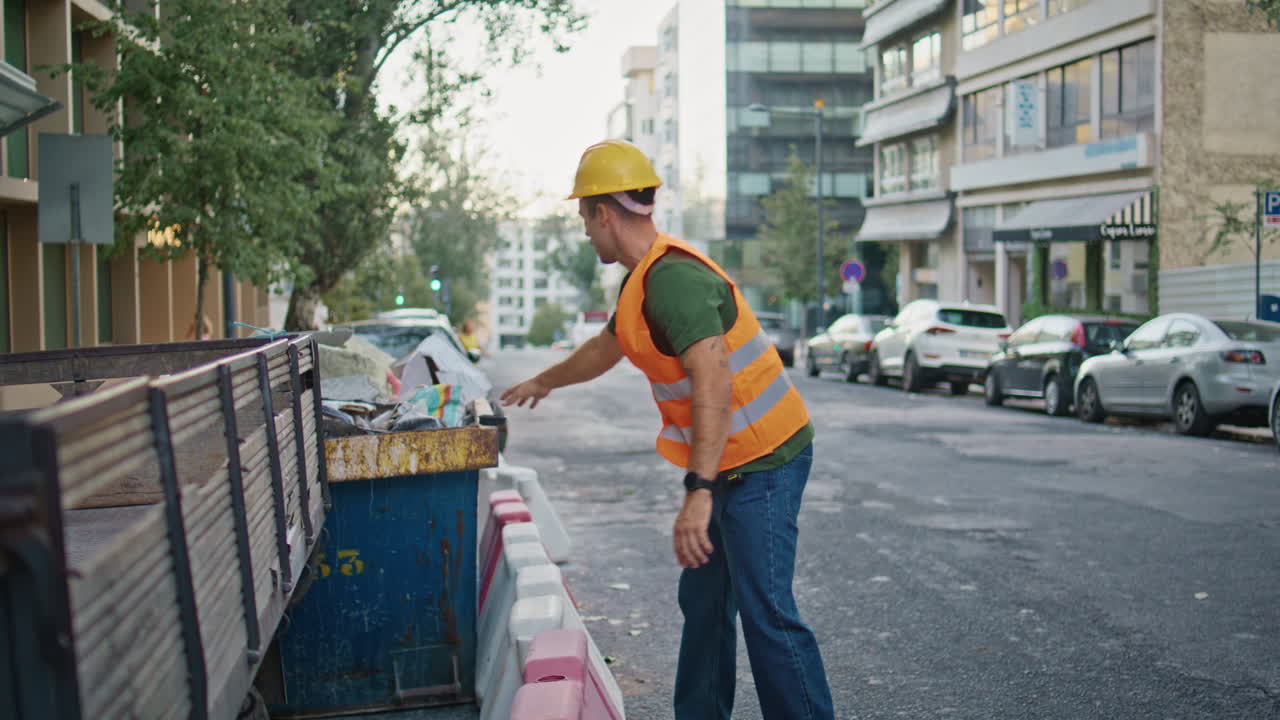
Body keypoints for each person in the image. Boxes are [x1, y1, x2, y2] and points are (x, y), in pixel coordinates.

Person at [501, 139, 833, 720]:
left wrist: (698, 493)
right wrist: (546, 380)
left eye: (584, 216)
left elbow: (713, 384)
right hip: (727, 461)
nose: (584, 230)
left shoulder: (673, 280)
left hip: (767, 459)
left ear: (605, 213)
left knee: (767, 611)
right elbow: (607, 349)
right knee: (705, 604)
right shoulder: (642, 281)